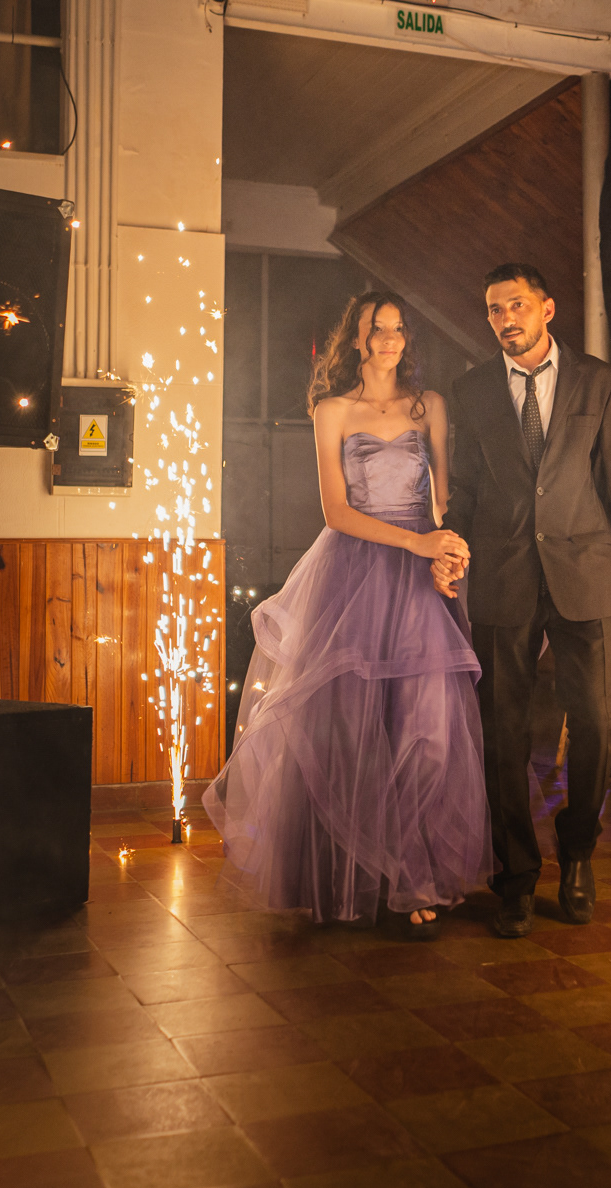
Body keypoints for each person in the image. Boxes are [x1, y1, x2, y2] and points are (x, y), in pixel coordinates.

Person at [205, 292, 490, 940]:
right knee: (351, 731)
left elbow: (443, 500)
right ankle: (360, 879)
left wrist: (448, 550)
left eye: (398, 329)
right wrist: (416, 542)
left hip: (419, 581)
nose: (389, 339)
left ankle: (414, 875)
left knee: (426, 731)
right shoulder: (331, 409)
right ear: (357, 339)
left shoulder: (429, 406)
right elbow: (336, 512)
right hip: (353, 571)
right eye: (376, 329)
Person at [435, 263, 611, 939]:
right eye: (494, 309)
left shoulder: (598, 380)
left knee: (598, 721)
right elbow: (467, 488)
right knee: (502, 731)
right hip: (502, 574)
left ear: (547, 308)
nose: (505, 319)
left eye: (517, 306)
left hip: (584, 570)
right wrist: (450, 548)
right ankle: (516, 877)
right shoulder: (471, 389)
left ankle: (578, 853)